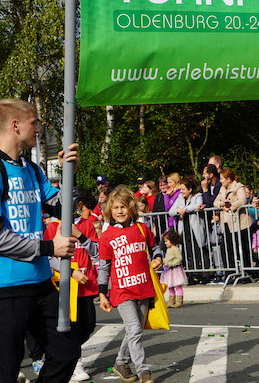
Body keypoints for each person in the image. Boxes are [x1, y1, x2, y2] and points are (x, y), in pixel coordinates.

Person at [0, 98, 81, 383]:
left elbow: (62, 207)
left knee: (67, 351)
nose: (38, 129)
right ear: (15, 125)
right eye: (34, 122)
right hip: (7, 288)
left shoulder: (32, 169)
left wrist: (67, 174)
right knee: (6, 367)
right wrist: (48, 248)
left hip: (41, 283)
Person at [98, 185, 163, 383]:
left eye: (124, 207)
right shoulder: (107, 236)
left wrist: (158, 256)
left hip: (144, 288)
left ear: (131, 208)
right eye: (116, 207)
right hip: (122, 291)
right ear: (110, 210)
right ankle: (144, 371)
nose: (120, 211)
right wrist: (102, 293)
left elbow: (155, 246)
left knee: (135, 330)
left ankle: (120, 362)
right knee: (134, 329)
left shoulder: (142, 229)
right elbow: (104, 267)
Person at [45, 187, 100, 382]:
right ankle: (75, 363)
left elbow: (96, 251)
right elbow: (49, 257)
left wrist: (81, 236)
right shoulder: (53, 227)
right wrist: (71, 272)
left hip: (86, 285)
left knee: (88, 324)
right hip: (66, 284)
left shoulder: (87, 224)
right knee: (71, 326)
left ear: (78, 205)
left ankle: (70, 353)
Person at [168, 176, 208, 283]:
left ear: (190, 190)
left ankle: (204, 274)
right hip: (184, 229)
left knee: (199, 250)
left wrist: (184, 209)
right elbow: (171, 211)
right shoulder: (180, 198)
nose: (181, 191)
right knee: (187, 251)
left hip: (195, 228)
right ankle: (191, 274)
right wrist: (179, 210)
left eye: (183, 189)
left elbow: (197, 205)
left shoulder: (197, 195)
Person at [213, 169, 248, 270]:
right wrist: (221, 204)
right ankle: (230, 270)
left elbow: (242, 200)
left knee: (242, 247)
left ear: (228, 179)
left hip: (239, 223)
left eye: (222, 179)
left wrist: (231, 207)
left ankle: (247, 271)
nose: (220, 181)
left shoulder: (239, 186)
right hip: (226, 223)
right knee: (226, 248)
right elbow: (215, 202)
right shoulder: (222, 189)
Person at [160, 228, 188, 309]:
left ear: (171, 240)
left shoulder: (175, 249)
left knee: (177, 285)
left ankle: (179, 301)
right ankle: (171, 301)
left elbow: (179, 258)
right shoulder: (169, 249)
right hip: (169, 270)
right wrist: (163, 262)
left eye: (166, 241)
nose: (165, 243)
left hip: (175, 270)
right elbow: (168, 258)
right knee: (170, 286)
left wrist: (172, 263)